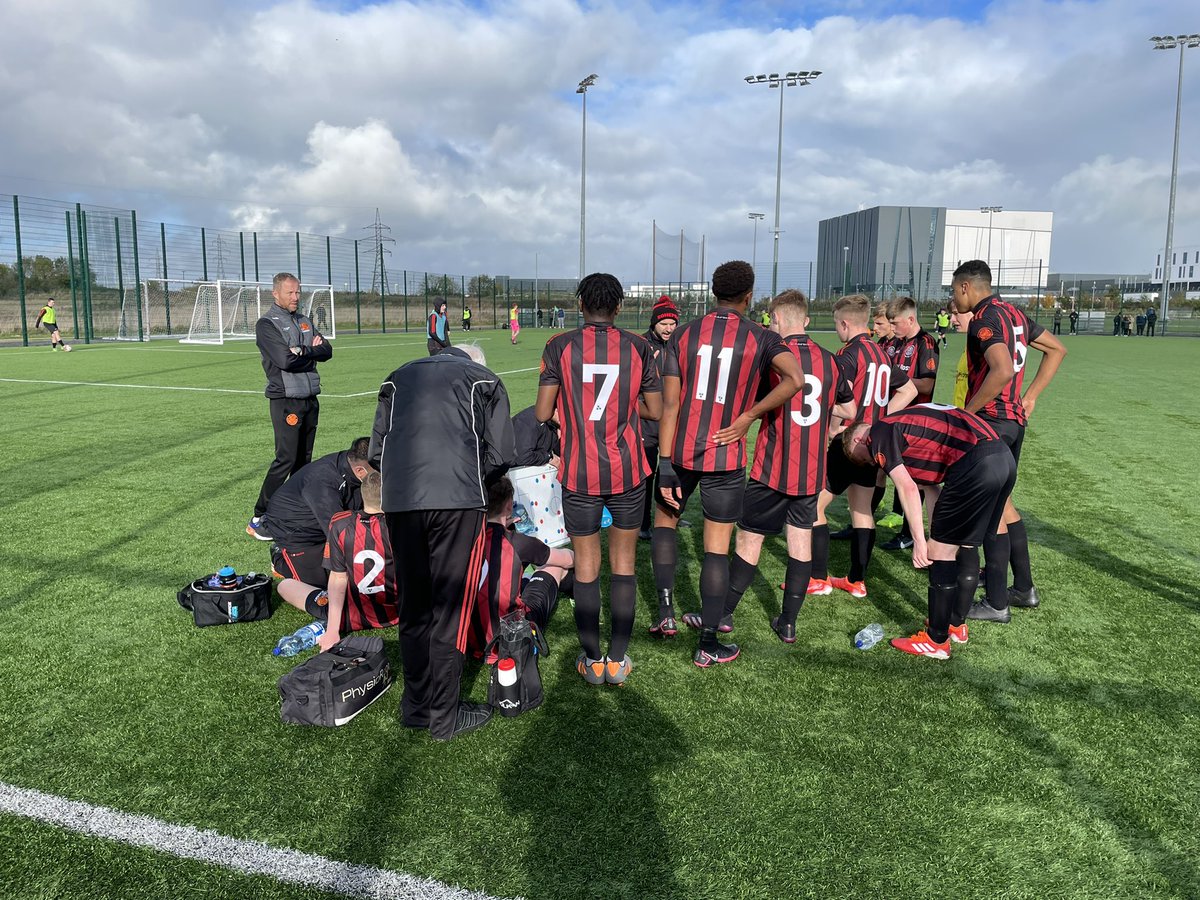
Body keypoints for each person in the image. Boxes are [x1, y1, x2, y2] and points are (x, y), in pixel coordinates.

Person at [651, 260, 802, 667]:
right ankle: (707, 643)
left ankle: (665, 613)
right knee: (716, 551)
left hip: (679, 452)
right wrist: (748, 416)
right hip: (726, 455)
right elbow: (795, 380)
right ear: (749, 296)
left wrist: (664, 462)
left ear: (714, 292)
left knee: (664, 525)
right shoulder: (762, 337)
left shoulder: (681, 334)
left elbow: (669, 404)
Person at [370, 343, 515, 741]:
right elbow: (501, 452)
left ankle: (416, 707)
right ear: (474, 360)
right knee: (450, 606)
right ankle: (444, 715)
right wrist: (467, 478)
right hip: (457, 502)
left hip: (400, 502)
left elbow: (377, 450)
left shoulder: (396, 377)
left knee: (414, 605)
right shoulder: (484, 379)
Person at [536, 273, 662, 686]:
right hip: (628, 470)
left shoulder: (559, 346)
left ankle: (592, 662)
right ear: (620, 307)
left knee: (587, 567)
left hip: (579, 472)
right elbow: (655, 409)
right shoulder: (639, 347)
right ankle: (618, 660)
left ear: (579, 305)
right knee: (624, 565)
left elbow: (541, 413)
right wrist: (625, 409)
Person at [720, 290, 853, 643]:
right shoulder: (831, 360)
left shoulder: (773, 357)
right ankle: (788, 623)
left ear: (776, 321)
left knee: (749, 540)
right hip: (810, 472)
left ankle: (724, 613)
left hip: (773, 467)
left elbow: (750, 400)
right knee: (800, 544)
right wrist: (824, 411)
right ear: (806, 321)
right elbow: (850, 411)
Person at [842, 405, 1016, 659]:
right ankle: (955, 624)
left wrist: (921, 542)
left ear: (858, 438)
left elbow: (908, 489)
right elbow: (931, 489)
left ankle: (936, 640)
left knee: (940, 551)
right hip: (1002, 457)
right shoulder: (915, 434)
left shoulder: (879, 432)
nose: (873, 462)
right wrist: (938, 534)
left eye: (864, 458)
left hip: (976, 463)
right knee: (966, 545)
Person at [950, 260, 1066, 622]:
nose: (954, 300)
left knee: (990, 513)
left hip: (992, 423)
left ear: (967, 286)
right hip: (1014, 422)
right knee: (1004, 505)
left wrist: (968, 412)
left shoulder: (984, 319)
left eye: (954, 292)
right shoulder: (1014, 313)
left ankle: (997, 603)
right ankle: (1024, 588)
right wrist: (1030, 396)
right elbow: (1057, 349)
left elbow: (1001, 370)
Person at [810, 294, 917, 599]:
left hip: (848, 441)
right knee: (861, 509)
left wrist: (832, 432)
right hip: (872, 446)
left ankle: (818, 578)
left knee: (814, 506)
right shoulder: (882, 353)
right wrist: (881, 421)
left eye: (836, 324)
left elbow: (838, 401)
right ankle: (857, 580)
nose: (837, 330)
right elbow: (908, 389)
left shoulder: (846, 355)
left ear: (844, 323)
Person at [248, 272, 333, 541]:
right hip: (286, 400)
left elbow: (327, 351)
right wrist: (306, 352)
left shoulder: (304, 321)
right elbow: (285, 361)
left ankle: (294, 513)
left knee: (303, 461)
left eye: (298, 292)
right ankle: (259, 517)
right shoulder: (267, 324)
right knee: (285, 459)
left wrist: (303, 351)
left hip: (310, 398)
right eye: (290, 293)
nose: (296, 297)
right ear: (276, 293)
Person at [275, 470, 400, 650]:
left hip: (351, 616)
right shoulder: (402, 526)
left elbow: (338, 578)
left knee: (284, 585)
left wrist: (332, 630)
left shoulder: (341, 523)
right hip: (397, 612)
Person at [467, 476, 575, 661]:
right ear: (509, 505)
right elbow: (568, 560)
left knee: (511, 574)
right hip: (512, 637)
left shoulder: (466, 538)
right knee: (555, 566)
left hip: (470, 638)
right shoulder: (519, 543)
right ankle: (577, 591)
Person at [265, 437, 375, 592]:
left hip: (324, 517)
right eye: (379, 472)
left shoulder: (352, 465)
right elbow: (338, 531)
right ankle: (280, 558)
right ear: (360, 471)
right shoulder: (322, 483)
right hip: (296, 532)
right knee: (324, 590)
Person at [879, 296, 940, 551]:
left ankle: (914, 535)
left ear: (911, 319)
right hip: (895, 416)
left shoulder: (926, 343)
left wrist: (898, 383)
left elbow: (927, 383)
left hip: (917, 420)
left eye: (895, 323)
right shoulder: (896, 344)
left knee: (917, 478)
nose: (892, 328)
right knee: (895, 472)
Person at [638, 296, 680, 540]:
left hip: (671, 423)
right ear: (654, 323)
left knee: (673, 471)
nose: (668, 328)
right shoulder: (642, 345)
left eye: (672, 324)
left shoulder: (678, 346)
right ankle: (643, 524)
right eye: (663, 323)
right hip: (647, 424)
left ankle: (672, 513)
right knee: (647, 475)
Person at [510, 405, 561, 469]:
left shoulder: (554, 422)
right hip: (512, 471)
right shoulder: (528, 421)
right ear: (556, 409)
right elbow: (523, 457)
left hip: (529, 468)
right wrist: (549, 457)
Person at [950, 308, 973, 408]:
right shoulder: (970, 343)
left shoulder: (987, 348)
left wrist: (1028, 401)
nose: (952, 319)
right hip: (961, 414)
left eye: (956, 313)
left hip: (973, 418)